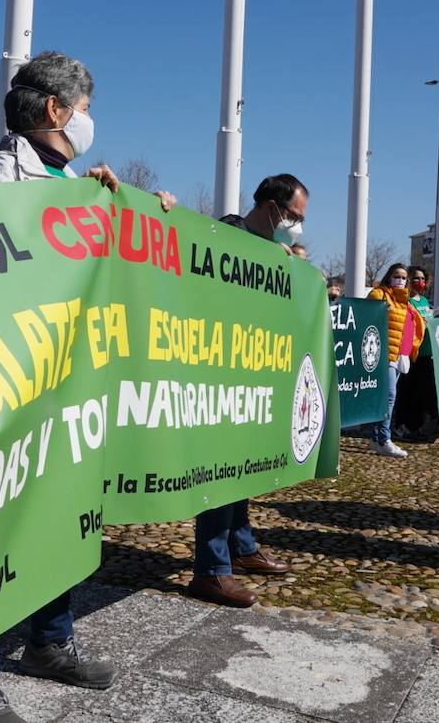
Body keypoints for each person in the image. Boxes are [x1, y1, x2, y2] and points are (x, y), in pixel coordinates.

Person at [0, 52, 175, 723]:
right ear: (55, 109)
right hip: (9, 382)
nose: (88, 119)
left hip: (66, 382)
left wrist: (135, 212)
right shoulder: (1, 174)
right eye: (85, 105)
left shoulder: (72, 179)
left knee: (59, 519)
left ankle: (50, 641)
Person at [186, 175, 302, 609]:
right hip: (219, 376)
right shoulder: (226, 237)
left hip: (250, 375)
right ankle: (211, 570)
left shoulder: (271, 250)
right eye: (294, 216)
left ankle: (242, 545)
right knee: (219, 470)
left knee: (240, 469)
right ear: (273, 208)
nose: (297, 226)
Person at [365, 263, 426, 457]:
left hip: (401, 354)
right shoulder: (379, 294)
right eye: (396, 276)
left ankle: (375, 438)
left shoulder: (406, 302)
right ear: (389, 277)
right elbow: (367, 317)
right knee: (389, 397)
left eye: (403, 278)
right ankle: (384, 439)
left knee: (384, 398)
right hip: (384, 355)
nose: (400, 280)